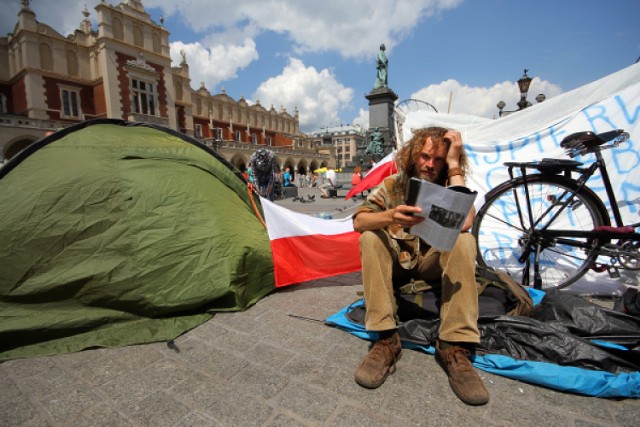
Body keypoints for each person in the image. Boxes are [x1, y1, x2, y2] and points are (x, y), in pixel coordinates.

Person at [351, 127, 489, 406]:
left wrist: (453, 164)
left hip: (431, 264)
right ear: (414, 155)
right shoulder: (393, 185)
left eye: (438, 159)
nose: (430, 164)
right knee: (370, 237)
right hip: (399, 262)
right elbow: (359, 221)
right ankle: (386, 339)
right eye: (425, 156)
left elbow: (465, 222)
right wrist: (390, 216)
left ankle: (454, 346)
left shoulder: (451, 184)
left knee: (463, 241)